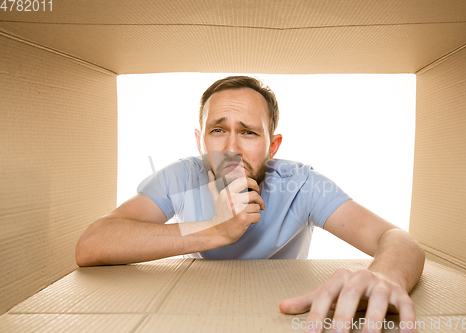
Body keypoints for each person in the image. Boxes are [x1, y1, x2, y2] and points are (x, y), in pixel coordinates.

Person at [76, 76, 425, 333]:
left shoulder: (300, 183)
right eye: (217, 130)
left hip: (279, 319)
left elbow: (396, 238)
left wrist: (383, 279)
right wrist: (214, 231)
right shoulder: (179, 178)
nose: (231, 148)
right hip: (193, 314)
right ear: (200, 140)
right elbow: (93, 243)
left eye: (248, 132)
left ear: (272, 146)